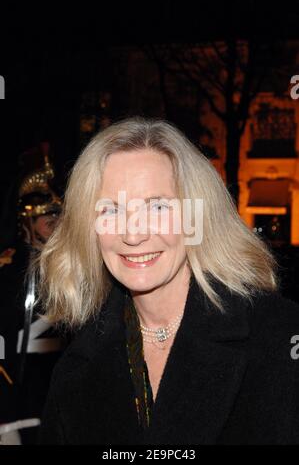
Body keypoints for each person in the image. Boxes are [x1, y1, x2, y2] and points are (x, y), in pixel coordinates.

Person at [38, 117, 299, 445]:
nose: (133, 234)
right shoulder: (76, 367)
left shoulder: (279, 335)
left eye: (157, 207)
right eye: (111, 211)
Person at [0, 143, 64, 444]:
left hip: (56, 397)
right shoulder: (8, 267)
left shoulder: (70, 268)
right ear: (27, 221)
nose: (55, 225)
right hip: (13, 398)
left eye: (57, 218)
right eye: (47, 219)